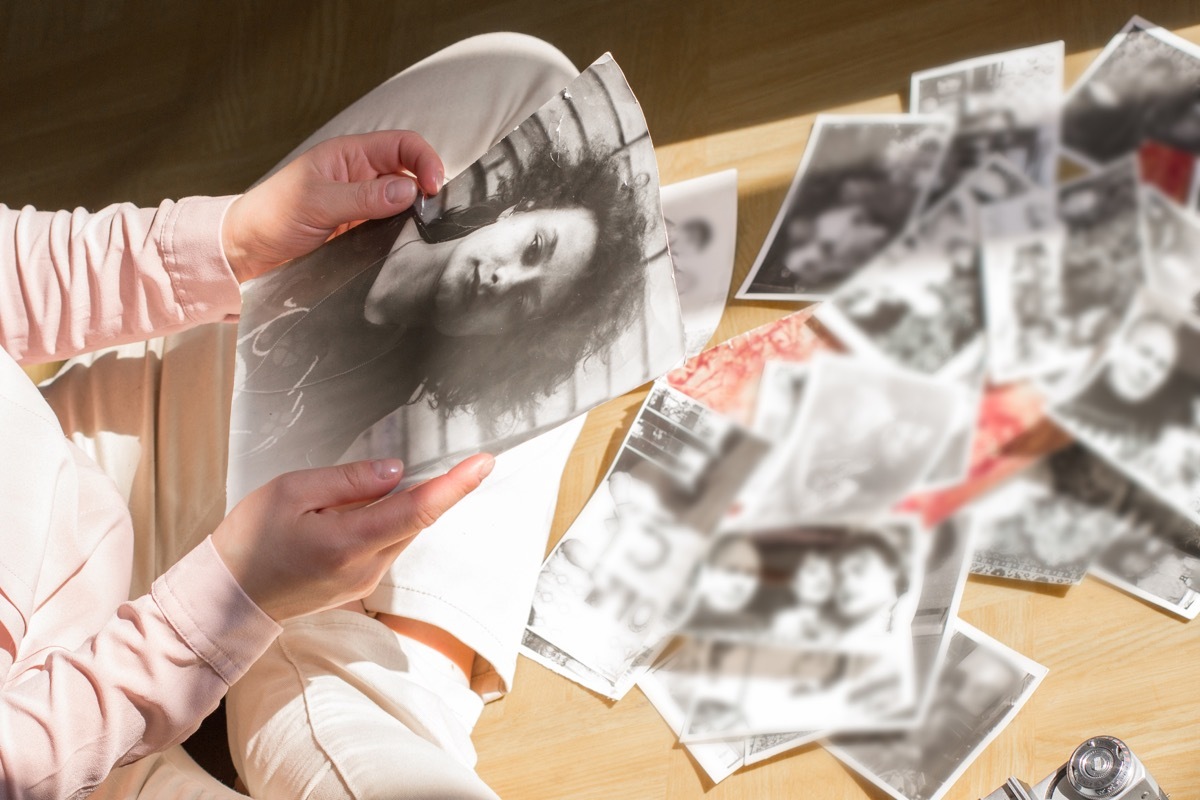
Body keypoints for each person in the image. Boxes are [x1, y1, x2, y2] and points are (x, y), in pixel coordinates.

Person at [3, 33, 594, 800]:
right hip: (68, 745)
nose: (501, 275)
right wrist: (225, 605)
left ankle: (342, 652)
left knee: (529, 90)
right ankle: (342, 688)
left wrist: (231, 242)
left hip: (66, 464)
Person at [230, 137, 649, 500]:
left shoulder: (390, 385)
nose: (503, 279)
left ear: (510, 336)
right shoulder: (369, 212)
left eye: (523, 303)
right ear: (519, 210)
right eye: (534, 247)